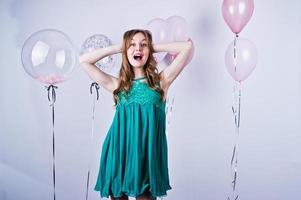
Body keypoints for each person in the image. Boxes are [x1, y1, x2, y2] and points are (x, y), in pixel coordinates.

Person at [79, 29, 193, 200]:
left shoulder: (161, 82)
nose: (137, 48)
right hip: (118, 152)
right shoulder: (118, 85)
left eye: (143, 44)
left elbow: (187, 47)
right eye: (132, 44)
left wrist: (152, 46)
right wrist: (119, 47)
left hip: (147, 156)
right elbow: (84, 61)